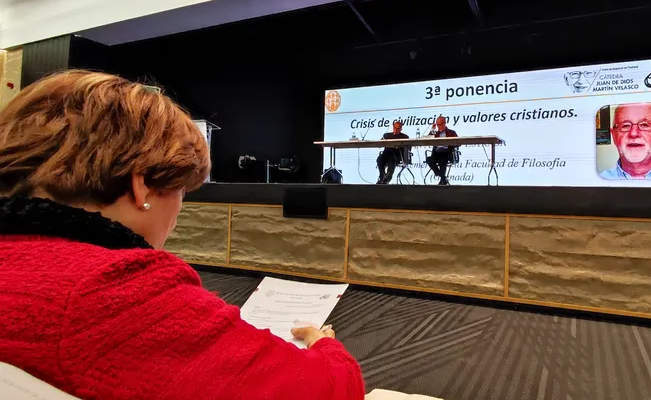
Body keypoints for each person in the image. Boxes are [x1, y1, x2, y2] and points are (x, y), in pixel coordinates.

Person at [0, 71, 365, 400]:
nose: (176, 215)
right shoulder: (122, 292)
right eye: (182, 192)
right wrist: (325, 346)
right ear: (142, 186)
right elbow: (330, 388)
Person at [599, 102, 651, 180]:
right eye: (625, 126)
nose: (634, 133)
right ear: (614, 135)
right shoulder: (601, 180)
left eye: (645, 125)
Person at [425, 116, 458, 185]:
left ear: (445, 123)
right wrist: (432, 130)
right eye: (437, 125)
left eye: (440, 124)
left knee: (442, 159)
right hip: (437, 153)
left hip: (447, 153)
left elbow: (458, 143)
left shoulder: (451, 132)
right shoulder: (436, 133)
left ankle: (442, 179)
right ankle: (443, 177)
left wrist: (451, 144)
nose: (438, 126)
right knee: (429, 159)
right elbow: (428, 140)